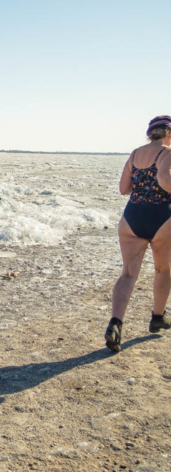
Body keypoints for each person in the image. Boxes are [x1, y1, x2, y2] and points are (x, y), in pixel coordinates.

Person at [105, 115, 171, 352]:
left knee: (128, 274)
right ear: (169, 133)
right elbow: (165, 181)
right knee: (163, 269)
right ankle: (157, 317)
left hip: (132, 217)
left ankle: (115, 323)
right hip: (162, 217)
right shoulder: (167, 152)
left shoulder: (135, 154)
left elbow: (124, 188)